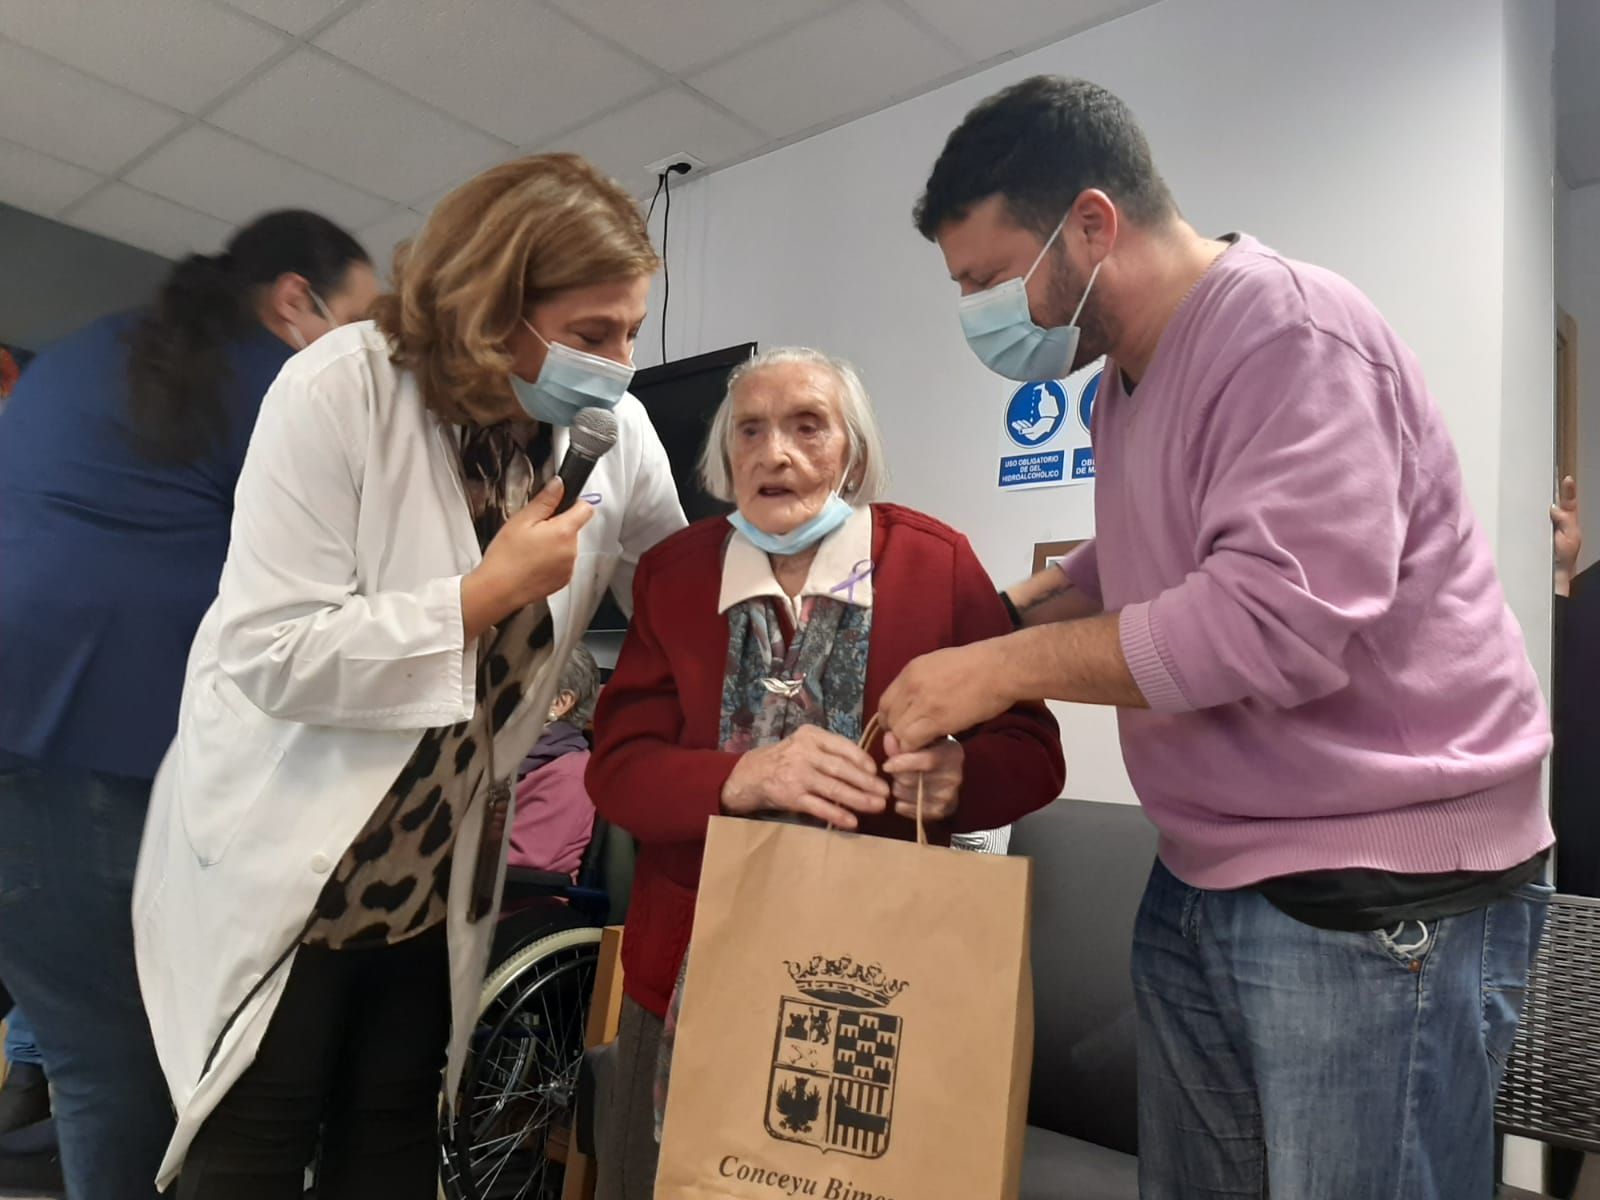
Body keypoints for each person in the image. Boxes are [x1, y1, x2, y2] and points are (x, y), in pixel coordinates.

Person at [880, 76, 1554, 1199]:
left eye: (988, 279)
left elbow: (1271, 622)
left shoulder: (1290, 332)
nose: (977, 317)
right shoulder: (1119, 387)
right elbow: (1148, 556)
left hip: (1373, 889)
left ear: (1092, 224)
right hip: (1206, 869)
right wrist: (989, 617)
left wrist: (991, 669)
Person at [133, 154, 686, 1200]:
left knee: (391, 1137)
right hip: (293, 854)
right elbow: (269, 649)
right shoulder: (339, 389)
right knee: (253, 1141)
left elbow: (684, 587)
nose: (619, 364)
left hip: (434, 872)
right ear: (487, 309)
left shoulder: (616, 433)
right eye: (590, 334)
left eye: (631, 331)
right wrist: (479, 598)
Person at [585, 346, 1066, 1198]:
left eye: (808, 425)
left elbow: (1032, 748)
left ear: (853, 450)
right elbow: (618, 771)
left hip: (880, 984)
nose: (776, 452)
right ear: (725, 459)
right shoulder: (675, 575)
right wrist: (740, 780)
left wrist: (962, 774)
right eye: (751, 431)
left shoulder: (935, 564)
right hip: (690, 971)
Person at [0, 210, 376, 1200]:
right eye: (364, 322)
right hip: (88, 756)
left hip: (30, 736)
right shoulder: (279, 383)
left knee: (90, 1062)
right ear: (297, 301)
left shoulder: (101, 351)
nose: (372, 355)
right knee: (136, 1080)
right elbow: (352, 588)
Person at [509, 642, 601, 879]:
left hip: (516, 906)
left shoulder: (567, 774)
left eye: (520, 679)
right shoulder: (503, 757)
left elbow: (523, 860)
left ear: (559, 703)